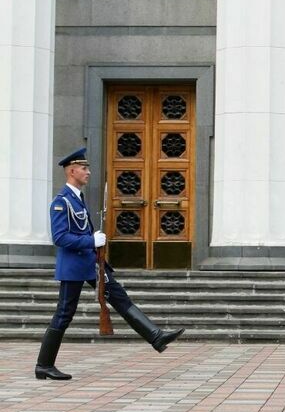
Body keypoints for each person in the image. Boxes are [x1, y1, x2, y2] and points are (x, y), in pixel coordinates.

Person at [35, 147, 185, 380]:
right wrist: (90, 240)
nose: (88, 172)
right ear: (72, 171)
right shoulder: (61, 202)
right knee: (64, 313)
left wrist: (94, 245)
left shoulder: (78, 199)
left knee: (119, 296)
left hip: (92, 264)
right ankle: (44, 365)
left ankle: (156, 336)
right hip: (74, 267)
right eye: (84, 168)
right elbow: (60, 237)